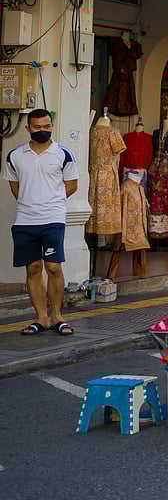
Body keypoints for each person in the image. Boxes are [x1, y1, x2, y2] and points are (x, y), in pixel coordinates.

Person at [4, 109, 79, 336]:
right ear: (28, 128)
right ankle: (41, 319)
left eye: (46, 126)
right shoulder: (15, 156)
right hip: (25, 220)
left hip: (53, 218)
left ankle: (57, 317)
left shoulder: (63, 154)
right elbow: (14, 186)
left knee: (53, 266)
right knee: (33, 267)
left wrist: (51, 200)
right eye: (37, 127)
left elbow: (72, 184)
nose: (42, 130)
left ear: (51, 127)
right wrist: (30, 201)